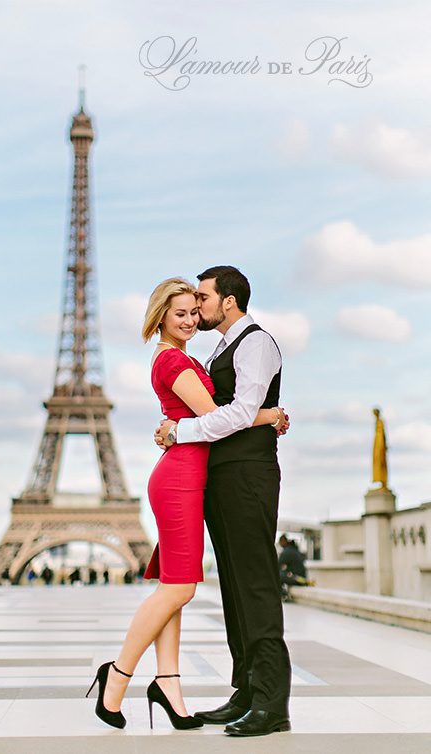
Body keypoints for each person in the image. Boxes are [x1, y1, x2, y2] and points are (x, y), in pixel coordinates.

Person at [89, 277, 286, 732]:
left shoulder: (191, 356)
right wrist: (270, 414)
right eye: (181, 312)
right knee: (179, 589)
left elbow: (213, 415)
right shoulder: (175, 358)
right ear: (160, 317)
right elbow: (218, 415)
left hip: (190, 474)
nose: (191, 319)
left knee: (174, 586)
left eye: (195, 311)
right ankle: (116, 678)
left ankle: (169, 684)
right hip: (180, 476)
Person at [154, 266, 292, 737]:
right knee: (234, 585)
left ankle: (272, 701)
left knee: (255, 584)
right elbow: (247, 412)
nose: (198, 306)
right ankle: (248, 689)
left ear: (228, 301)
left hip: (249, 476)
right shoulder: (224, 347)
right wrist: (267, 416)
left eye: (204, 298)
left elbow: (237, 413)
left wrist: (179, 432)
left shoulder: (255, 343)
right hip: (225, 476)